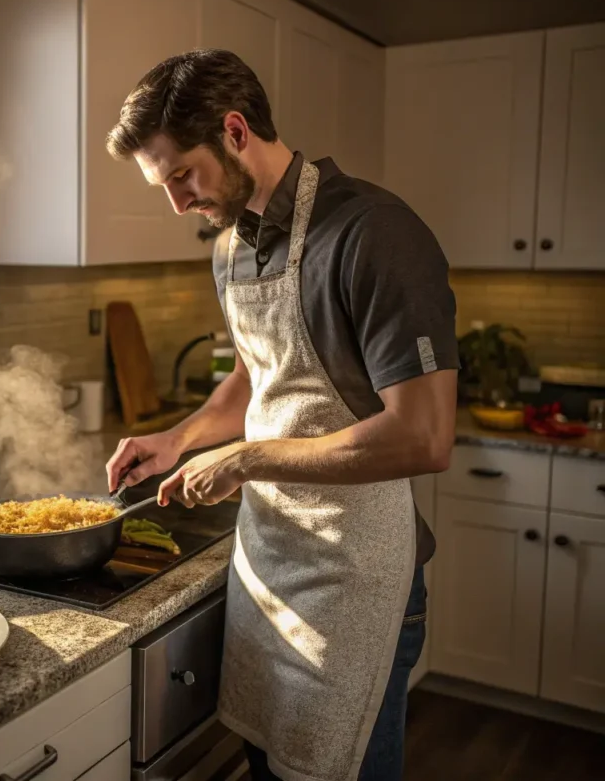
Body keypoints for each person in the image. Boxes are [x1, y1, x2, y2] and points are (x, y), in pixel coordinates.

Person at [104, 49, 458, 781]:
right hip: (269, 563)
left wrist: (245, 458)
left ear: (235, 131)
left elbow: (424, 436)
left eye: (182, 175)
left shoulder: (375, 234)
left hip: (355, 577)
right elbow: (254, 374)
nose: (177, 203)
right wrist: (177, 439)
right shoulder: (232, 243)